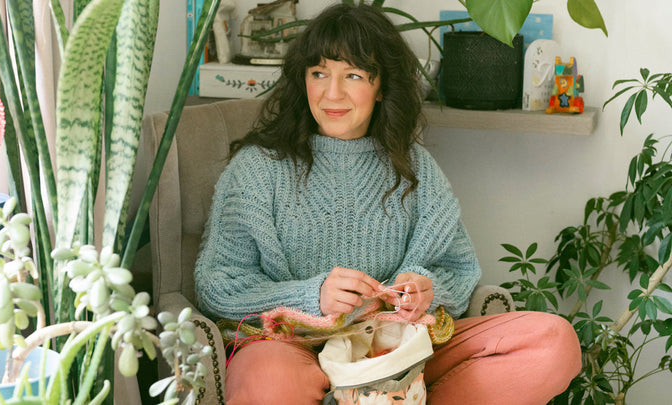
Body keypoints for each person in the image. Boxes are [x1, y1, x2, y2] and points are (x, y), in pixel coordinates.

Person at [194, 3, 581, 404]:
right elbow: (217, 285)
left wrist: (425, 290)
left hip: (402, 351)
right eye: (319, 73)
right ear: (302, 79)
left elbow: (459, 270)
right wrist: (312, 297)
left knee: (553, 342)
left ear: (381, 87)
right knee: (268, 382)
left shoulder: (416, 167)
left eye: (353, 75)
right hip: (292, 346)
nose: (332, 93)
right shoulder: (257, 169)